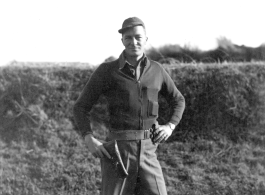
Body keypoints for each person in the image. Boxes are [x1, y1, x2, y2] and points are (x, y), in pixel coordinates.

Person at [73, 17, 185, 195]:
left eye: (138, 37)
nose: (134, 42)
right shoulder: (107, 71)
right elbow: (80, 107)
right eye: (128, 38)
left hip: (149, 150)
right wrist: (89, 139)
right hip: (118, 152)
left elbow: (178, 100)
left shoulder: (157, 70)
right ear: (122, 41)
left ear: (146, 39)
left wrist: (170, 126)